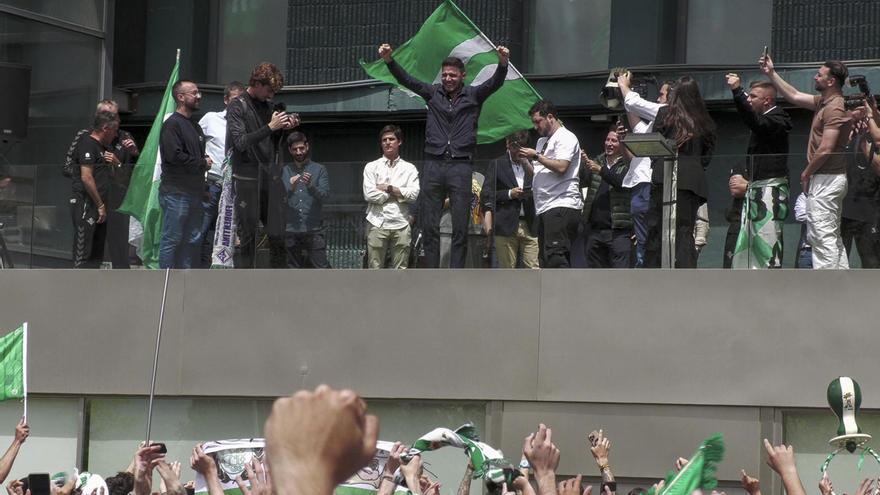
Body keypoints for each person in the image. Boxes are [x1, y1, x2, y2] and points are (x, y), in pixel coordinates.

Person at [377, 42, 510, 268]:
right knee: (430, 223)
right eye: (445, 75)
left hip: (461, 164)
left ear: (462, 76)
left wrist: (503, 63)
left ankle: (455, 271)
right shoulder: (432, 93)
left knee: (460, 224)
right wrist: (389, 60)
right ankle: (432, 270)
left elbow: (494, 83)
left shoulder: (474, 95)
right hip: (434, 163)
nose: (448, 79)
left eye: (452, 75)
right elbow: (407, 80)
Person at [760, 55, 853, 269]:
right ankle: (840, 287)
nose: (815, 76)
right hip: (827, 178)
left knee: (821, 236)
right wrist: (771, 73)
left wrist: (806, 173)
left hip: (826, 179)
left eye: (819, 74)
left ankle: (828, 290)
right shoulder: (824, 102)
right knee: (829, 235)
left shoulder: (834, 108)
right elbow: (793, 95)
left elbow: (827, 148)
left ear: (831, 81)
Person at [227, 62, 298, 268]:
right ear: (257, 84)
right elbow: (240, 142)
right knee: (248, 233)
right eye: (269, 90)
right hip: (247, 178)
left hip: (268, 176)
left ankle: (277, 279)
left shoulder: (268, 106)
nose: (271, 96)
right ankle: (245, 280)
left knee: (278, 232)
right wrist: (270, 126)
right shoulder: (238, 105)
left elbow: (272, 142)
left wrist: (283, 128)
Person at [645, 76, 715, 268]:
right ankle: (686, 275)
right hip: (692, 181)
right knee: (684, 230)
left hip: (664, 177)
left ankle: (653, 274)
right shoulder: (704, 120)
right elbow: (708, 154)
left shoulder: (665, 114)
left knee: (657, 228)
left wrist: (658, 163)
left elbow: (653, 144)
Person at [724, 74, 792, 269]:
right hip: (757, 192)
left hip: (770, 193)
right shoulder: (765, 119)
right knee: (751, 243)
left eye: (753, 96)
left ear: (767, 100)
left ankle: (770, 287)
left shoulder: (777, 119)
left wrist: (737, 91)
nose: (748, 99)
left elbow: (756, 123)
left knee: (767, 240)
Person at [517, 100, 583, 268]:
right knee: (545, 258)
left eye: (538, 121)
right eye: (533, 123)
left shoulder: (566, 137)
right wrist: (525, 161)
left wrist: (537, 156)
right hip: (545, 207)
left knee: (556, 255)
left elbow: (561, 167)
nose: (535, 126)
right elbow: (538, 174)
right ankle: (551, 292)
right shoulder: (542, 142)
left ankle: (561, 293)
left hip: (561, 204)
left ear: (550, 117)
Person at [617, 74, 672, 267]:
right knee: (642, 237)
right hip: (641, 184)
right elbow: (639, 129)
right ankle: (643, 265)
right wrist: (625, 96)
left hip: (650, 182)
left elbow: (633, 102)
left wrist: (624, 86)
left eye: (662, 95)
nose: (658, 99)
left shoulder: (667, 111)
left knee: (649, 237)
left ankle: (646, 267)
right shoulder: (656, 120)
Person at [158, 80, 210, 269]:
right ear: (180, 97)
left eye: (199, 92)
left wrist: (203, 188)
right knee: (172, 238)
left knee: (192, 239)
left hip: (194, 194)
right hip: (176, 193)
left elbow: (195, 158)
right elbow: (174, 156)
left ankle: (184, 283)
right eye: (194, 93)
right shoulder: (172, 124)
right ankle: (164, 281)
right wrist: (202, 162)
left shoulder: (195, 126)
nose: (199, 96)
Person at [198, 81, 245, 268]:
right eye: (235, 100)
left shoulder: (246, 123)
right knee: (201, 231)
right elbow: (195, 141)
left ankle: (225, 272)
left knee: (231, 235)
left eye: (242, 101)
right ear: (226, 100)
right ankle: (198, 271)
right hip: (212, 184)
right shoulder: (211, 118)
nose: (238, 104)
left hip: (236, 189)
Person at [363, 125, 420, 269]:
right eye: (384, 140)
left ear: (399, 142)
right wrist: (399, 194)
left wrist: (388, 188)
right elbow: (369, 194)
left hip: (401, 222)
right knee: (374, 268)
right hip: (377, 222)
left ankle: (399, 292)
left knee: (401, 270)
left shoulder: (409, 168)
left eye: (391, 139)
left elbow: (413, 195)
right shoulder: (371, 167)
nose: (388, 142)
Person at [70, 111, 120, 268]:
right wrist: (99, 205)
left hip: (102, 206)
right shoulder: (87, 143)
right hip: (87, 204)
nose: (116, 134)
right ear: (105, 128)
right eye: (114, 130)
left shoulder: (105, 148)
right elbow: (86, 177)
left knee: (97, 252)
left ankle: (93, 285)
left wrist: (116, 163)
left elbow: (116, 177)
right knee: (83, 251)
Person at [483, 130, 539, 269]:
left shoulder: (534, 164)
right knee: (507, 271)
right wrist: (509, 194)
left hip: (530, 223)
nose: (518, 151)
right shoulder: (497, 164)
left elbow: (544, 188)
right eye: (515, 147)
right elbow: (486, 194)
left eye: (522, 147)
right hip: (505, 224)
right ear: (508, 145)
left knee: (533, 268)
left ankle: (533, 292)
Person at [581, 127, 633, 268]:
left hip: (618, 231)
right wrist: (583, 165)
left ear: (622, 144)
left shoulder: (628, 164)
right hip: (595, 230)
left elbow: (620, 182)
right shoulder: (597, 161)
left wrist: (600, 170)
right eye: (607, 139)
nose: (609, 143)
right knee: (596, 275)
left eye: (614, 141)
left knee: (619, 275)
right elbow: (582, 182)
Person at [281, 132, 330, 268]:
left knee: (321, 267)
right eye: (295, 149)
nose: (299, 152)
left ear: (307, 147)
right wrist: (290, 187)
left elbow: (325, 196)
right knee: (293, 269)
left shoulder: (319, 169)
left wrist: (311, 186)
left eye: (301, 148)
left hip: (313, 228)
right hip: (291, 229)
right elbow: (278, 200)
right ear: (290, 150)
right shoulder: (284, 171)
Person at [841, 117, 880, 267]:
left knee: (871, 261)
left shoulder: (876, 140)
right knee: (838, 259)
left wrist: (865, 145)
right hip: (843, 209)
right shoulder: (844, 139)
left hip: (869, 212)